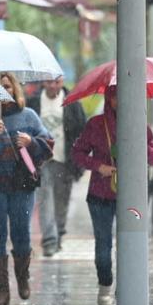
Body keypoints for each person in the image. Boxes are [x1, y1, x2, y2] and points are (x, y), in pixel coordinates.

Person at [71, 86, 153, 305]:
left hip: (131, 196)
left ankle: (127, 289)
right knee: (103, 246)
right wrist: (99, 166)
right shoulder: (95, 125)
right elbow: (78, 153)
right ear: (109, 98)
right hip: (100, 195)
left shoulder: (138, 125)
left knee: (130, 245)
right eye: (115, 96)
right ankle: (105, 285)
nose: (120, 101)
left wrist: (140, 148)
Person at [0, 73, 53, 305]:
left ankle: (22, 278)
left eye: (7, 87)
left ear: (15, 89)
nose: (4, 91)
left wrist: (31, 142)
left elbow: (48, 144)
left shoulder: (28, 116)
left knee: (21, 233)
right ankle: (1, 290)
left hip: (22, 186)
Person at [27, 75, 86, 257]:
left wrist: (79, 160)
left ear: (63, 82)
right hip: (41, 161)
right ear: (43, 82)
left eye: (57, 81)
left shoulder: (72, 103)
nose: (53, 86)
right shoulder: (34, 103)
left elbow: (81, 131)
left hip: (64, 160)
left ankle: (59, 232)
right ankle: (49, 240)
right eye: (49, 81)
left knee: (62, 200)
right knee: (45, 200)